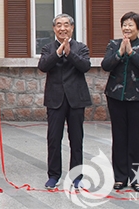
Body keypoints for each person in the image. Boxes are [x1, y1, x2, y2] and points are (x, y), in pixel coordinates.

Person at [101, 12, 139, 192]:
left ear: (138, 27)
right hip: (116, 97)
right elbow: (106, 65)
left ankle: (137, 178)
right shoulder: (113, 44)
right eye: (124, 24)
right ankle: (120, 177)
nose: (127, 28)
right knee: (119, 137)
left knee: (136, 138)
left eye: (131, 25)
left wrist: (131, 53)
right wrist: (119, 53)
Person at [38, 14, 91, 190]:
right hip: (55, 99)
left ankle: (77, 177)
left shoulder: (81, 47)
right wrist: (58, 52)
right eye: (59, 25)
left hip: (76, 99)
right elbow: (43, 66)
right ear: (54, 29)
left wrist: (69, 52)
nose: (63, 28)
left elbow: (85, 66)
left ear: (72, 28)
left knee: (76, 140)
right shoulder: (48, 48)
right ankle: (53, 176)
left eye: (66, 25)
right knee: (54, 139)